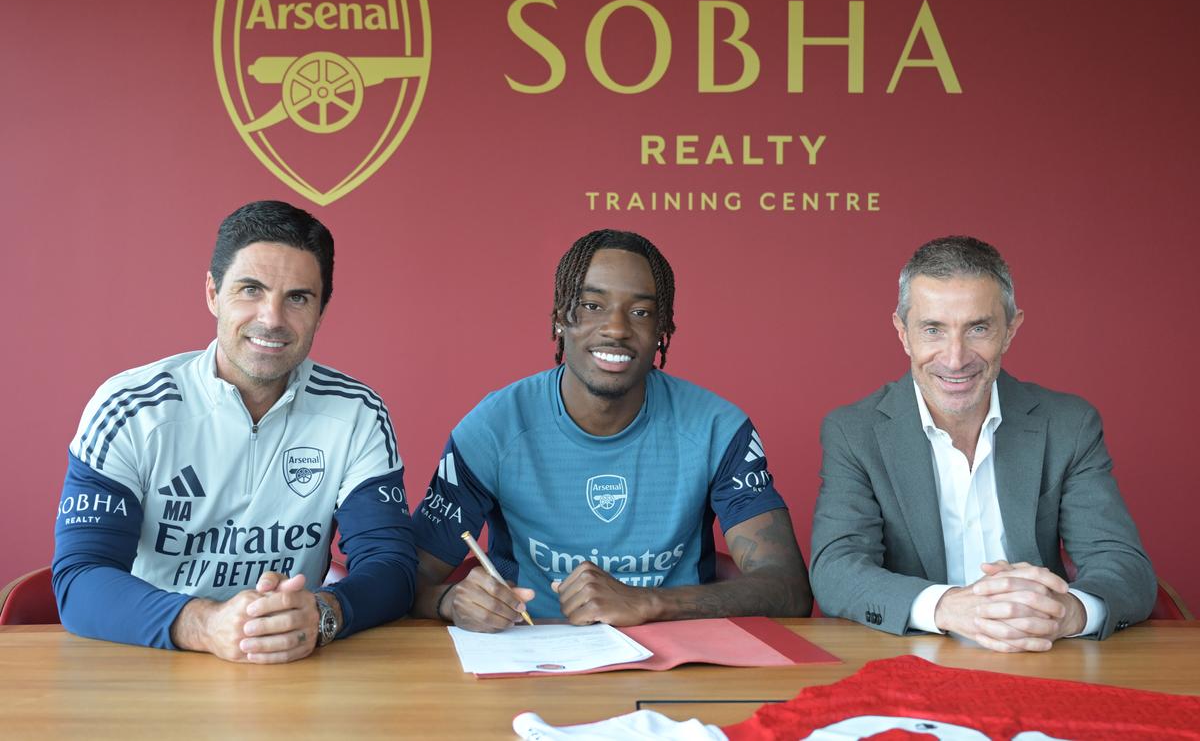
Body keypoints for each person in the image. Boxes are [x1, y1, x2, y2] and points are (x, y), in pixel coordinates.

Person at [52, 200, 417, 663]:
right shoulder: (129, 408)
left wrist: (323, 613)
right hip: (152, 659)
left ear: (321, 311)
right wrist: (206, 624)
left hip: (291, 663)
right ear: (213, 293)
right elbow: (80, 578)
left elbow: (392, 565)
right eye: (250, 290)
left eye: (298, 298)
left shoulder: (357, 412)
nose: (272, 318)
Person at [411, 229, 812, 631]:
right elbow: (405, 577)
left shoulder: (717, 429)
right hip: (534, 650)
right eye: (592, 305)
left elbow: (789, 588)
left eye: (641, 312)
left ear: (662, 330)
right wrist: (450, 601)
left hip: (683, 655)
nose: (617, 328)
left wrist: (648, 602)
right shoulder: (493, 428)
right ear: (560, 318)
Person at [810, 235, 1155, 652]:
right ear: (903, 333)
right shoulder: (854, 431)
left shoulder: (1069, 425)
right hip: (908, 660)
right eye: (933, 329)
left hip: (1040, 656)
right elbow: (836, 569)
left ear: (1010, 330)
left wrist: (1069, 613)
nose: (955, 358)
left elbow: (1124, 566)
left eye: (978, 328)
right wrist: (947, 607)